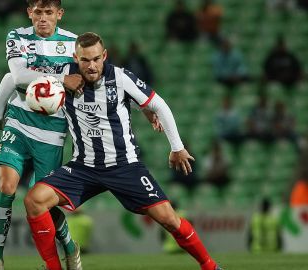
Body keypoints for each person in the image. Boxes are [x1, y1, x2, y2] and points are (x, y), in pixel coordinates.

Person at [23, 32, 222, 270]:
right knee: (34, 200)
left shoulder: (120, 77)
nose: (92, 65)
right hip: (83, 166)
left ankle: (210, 266)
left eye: (96, 58)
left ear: (104, 56)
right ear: (76, 58)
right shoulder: (62, 76)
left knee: (169, 219)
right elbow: (19, 76)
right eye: (85, 60)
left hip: (125, 165)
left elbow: (159, 104)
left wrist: (177, 147)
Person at [0, 1, 86, 269]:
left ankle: (70, 246)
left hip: (53, 130)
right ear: (29, 13)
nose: (43, 18)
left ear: (59, 14)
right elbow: (18, 76)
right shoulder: (18, 36)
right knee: (7, 186)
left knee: (42, 201)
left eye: (49, 13)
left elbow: (84, 81)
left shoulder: (73, 43)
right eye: (38, 12)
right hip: (19, 120)